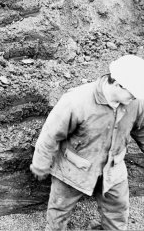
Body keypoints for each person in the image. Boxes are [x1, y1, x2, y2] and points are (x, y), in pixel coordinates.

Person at [30, 54, 144, 230]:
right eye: (133, 93)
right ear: (118, 84)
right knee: (58, 213)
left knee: (118, 213)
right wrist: (40, 163)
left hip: (113, 169)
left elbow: (142, 130)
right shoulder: (77, 100)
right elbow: (51, 134)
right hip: (74, 170)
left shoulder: (136, 104)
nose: (136, 97)